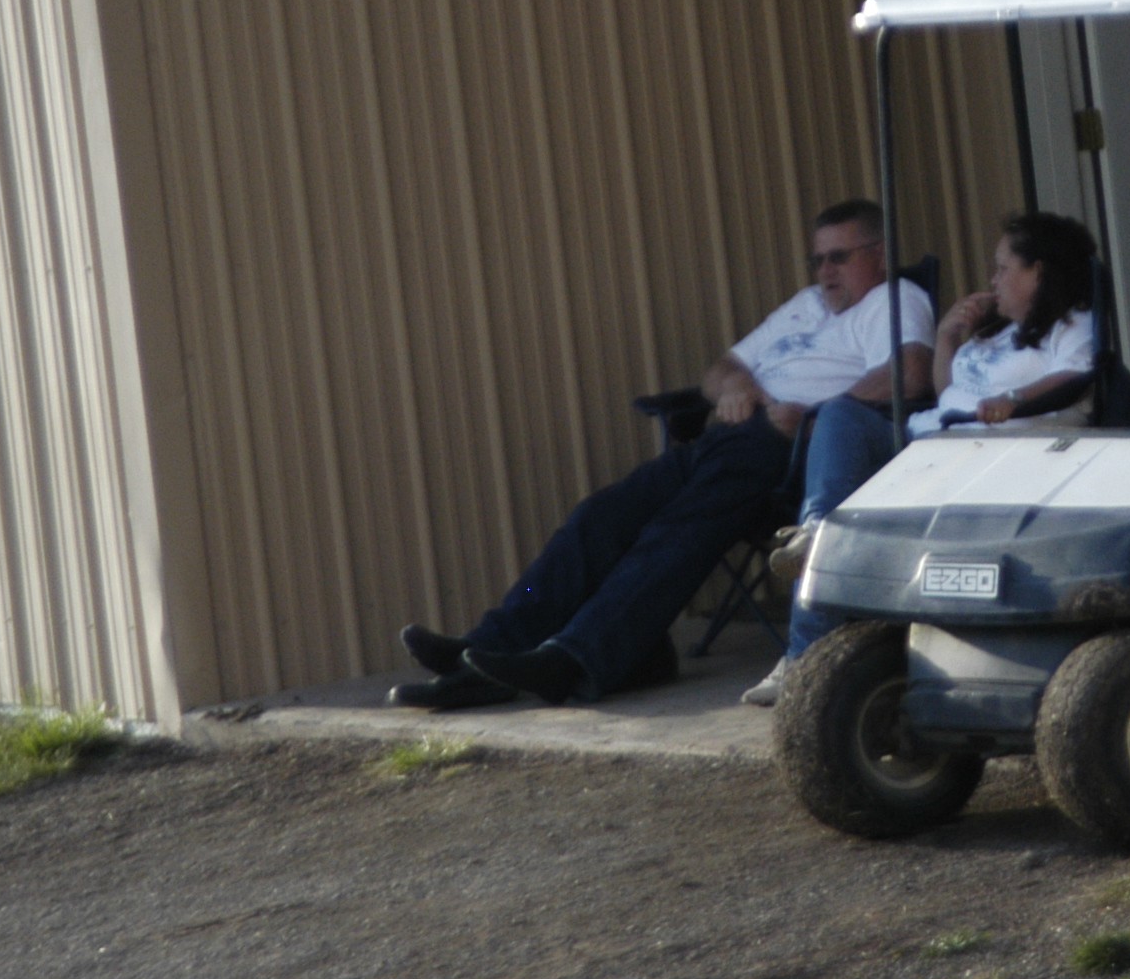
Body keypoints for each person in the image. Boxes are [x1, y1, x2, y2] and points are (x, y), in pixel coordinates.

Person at [391, 200, 932, 710]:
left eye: (839, 257)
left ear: (880, 254)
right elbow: (719, 369)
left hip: (789, 453)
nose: (825, 272)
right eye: (817, 260)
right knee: (598, 518)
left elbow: (908, 375)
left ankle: (575, 657)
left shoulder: (894, 300)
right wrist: (737, 389)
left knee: (673, 532)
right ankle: (487, 647)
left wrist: (812, 415)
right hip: (726, 439)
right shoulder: (806, 306)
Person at [742, 210, 1098, 706]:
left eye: (1002, 269)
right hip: (924, 443)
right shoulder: (999, 332)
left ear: (1037, 272)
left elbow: (1076, 379)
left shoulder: (1073, 325)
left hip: (978, 460)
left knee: (831, 527)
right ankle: (817, 529)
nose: (992, 280)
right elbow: (948, 393)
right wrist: (949, 336)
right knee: (840, 415)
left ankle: (804, 654)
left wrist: (1015, 400)